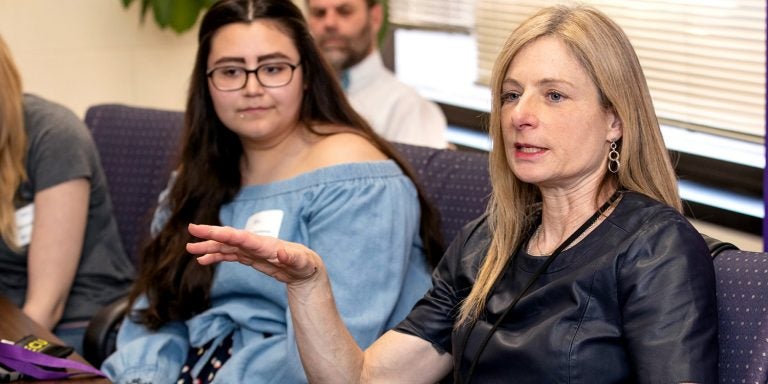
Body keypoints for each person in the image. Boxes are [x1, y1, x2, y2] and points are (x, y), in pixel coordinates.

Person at [187, 4, 719, 383]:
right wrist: (309, 285)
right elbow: (361, 379)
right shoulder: (485, 243)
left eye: (554, 95)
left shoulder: (656, 248)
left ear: (615, 122)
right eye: (511, 95)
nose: (520, 115)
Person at [101, 0, 443, 382]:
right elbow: (158, 307)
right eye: (230, 71)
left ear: (307, 75)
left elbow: (334, 360)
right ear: (207, 84)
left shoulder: (356, 179)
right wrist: (142, 376)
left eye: (273, 68)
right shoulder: (200, 174)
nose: (252, 88)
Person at [0, 35, 134, 355]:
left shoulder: (54, 135)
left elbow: (47, 305)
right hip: (8, 315)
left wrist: (8, 357)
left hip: (73, 324)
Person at [306, 0, 449, 149]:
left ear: (375, 17)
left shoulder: (408, 108)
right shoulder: (298, 97)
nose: (329, 23)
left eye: (344, 11)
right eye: (319, 13)